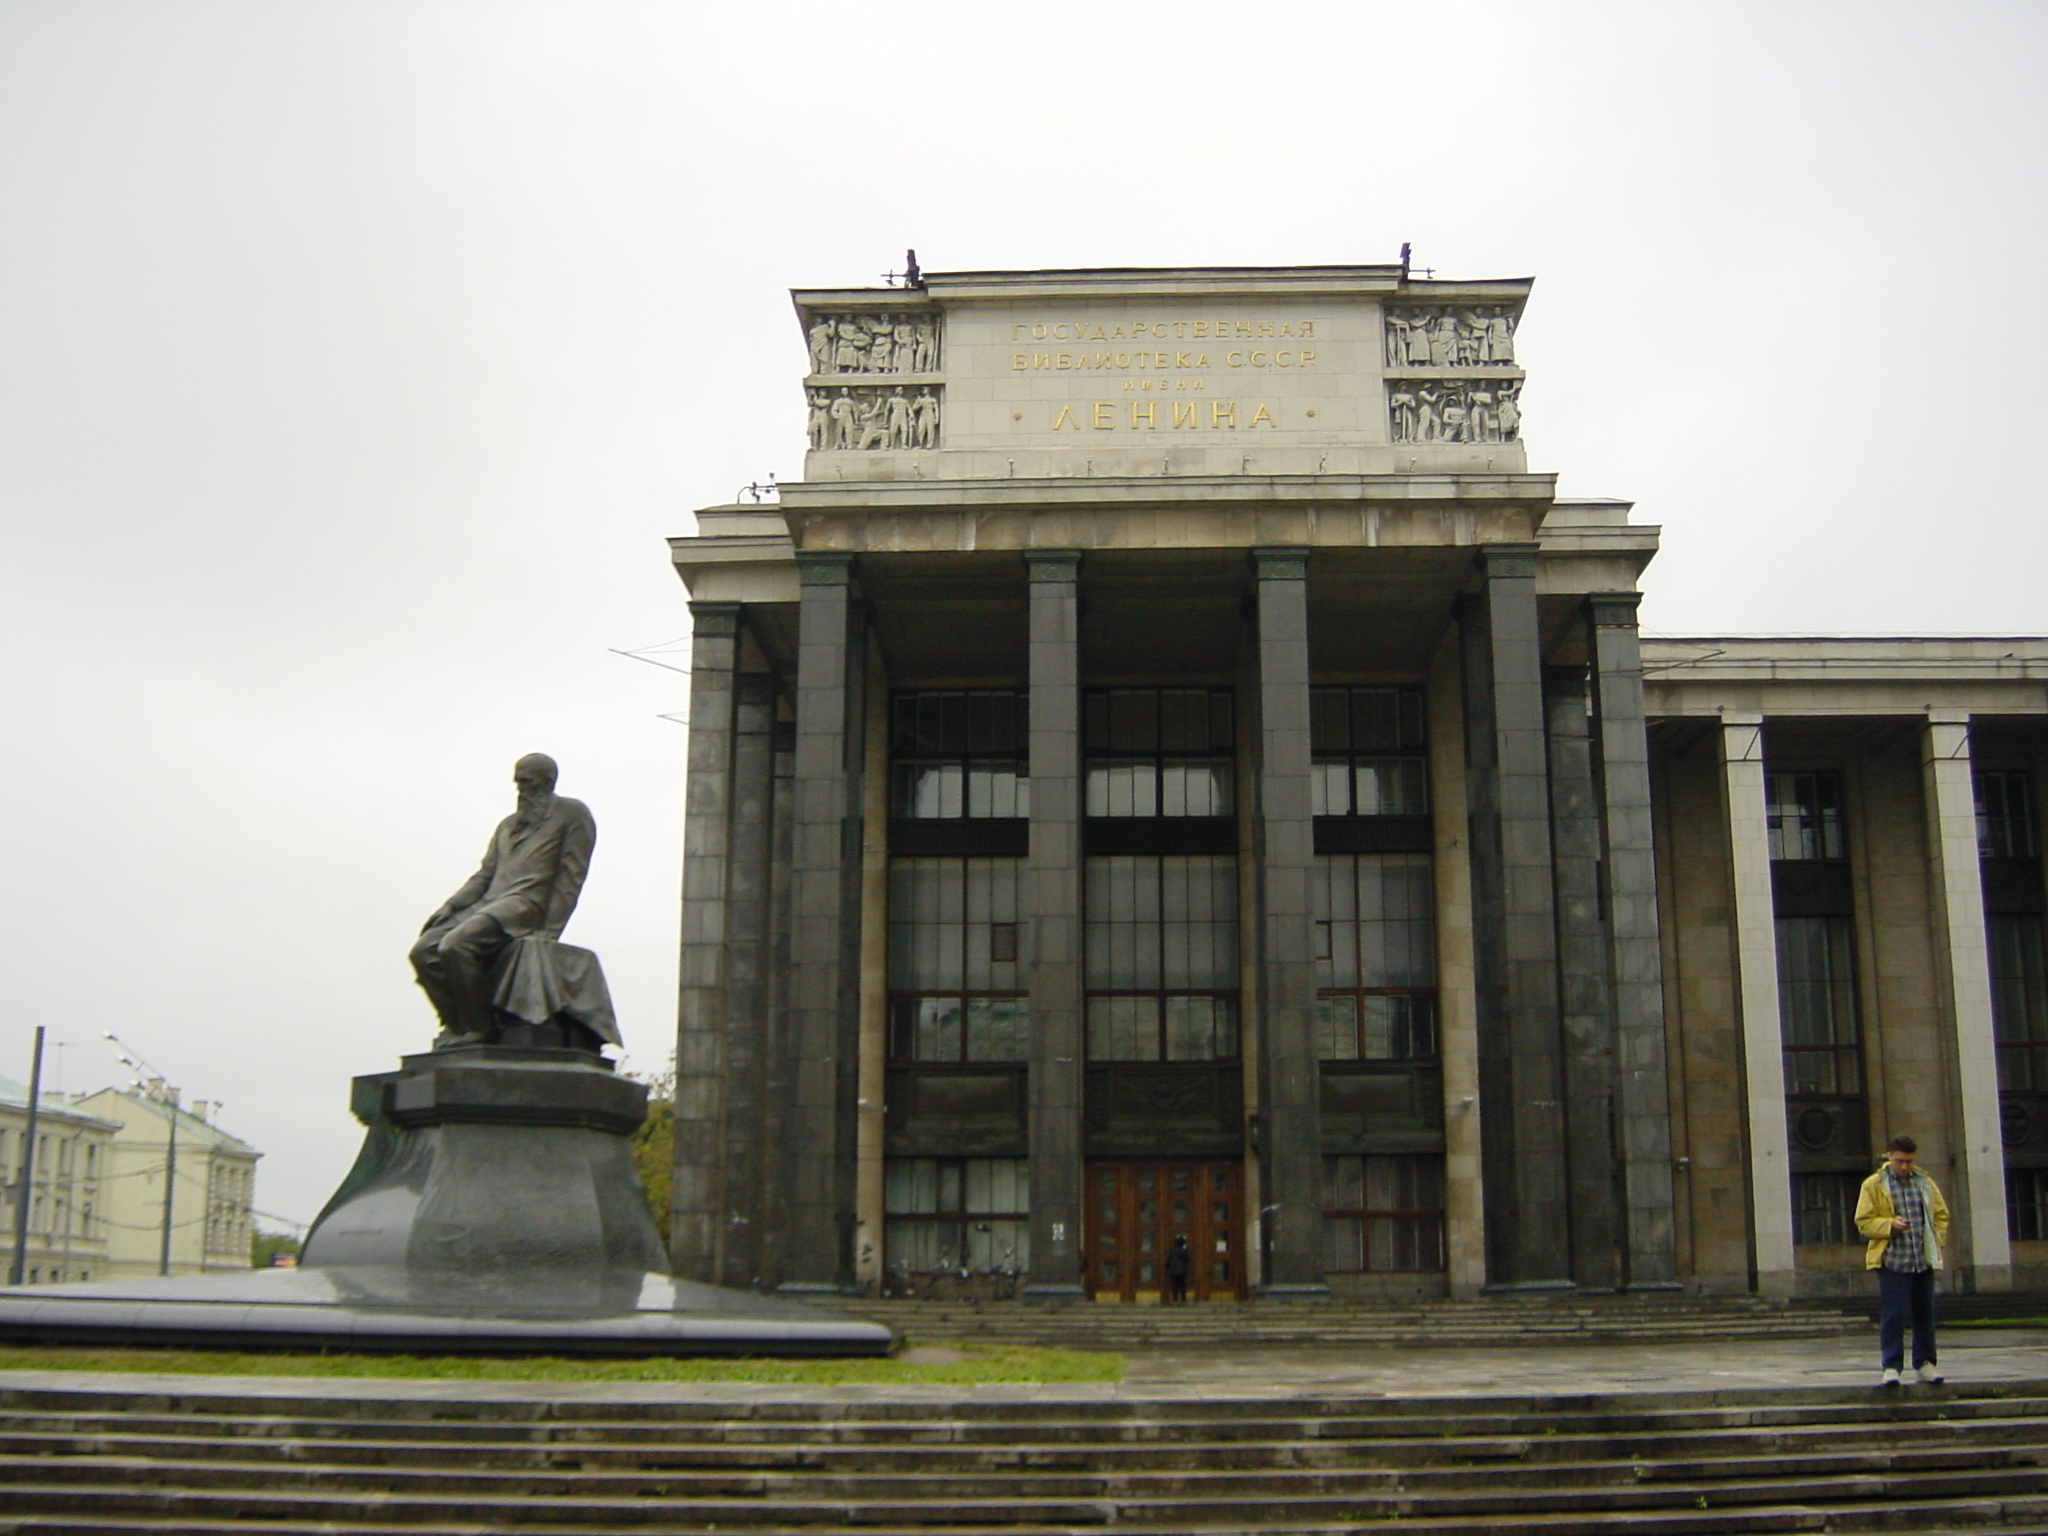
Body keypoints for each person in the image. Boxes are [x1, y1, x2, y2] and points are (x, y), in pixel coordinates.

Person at [410, 753, 596, 1048]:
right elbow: (484, 876)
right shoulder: (507, 826)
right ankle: (458, 1025)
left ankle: (479, 1029)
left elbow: (571, 875)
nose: (520, 789)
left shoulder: (572, 814)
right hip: (486, 904)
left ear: (548, 782)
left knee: (455, 946)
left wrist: (551, 928)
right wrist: (452, 905)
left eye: (527, 782)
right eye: (517, 782)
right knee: (422, 951)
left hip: (525, 906)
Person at [1854, 1134, 1951, 1387]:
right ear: (1889, 1157)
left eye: (1908, 1161)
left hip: (1922, 1259)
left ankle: (1925, 1363)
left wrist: (1937, 1238)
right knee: (1894, 1315)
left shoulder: (1924, 1182)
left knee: (1924, 1314)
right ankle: (1891, 1366)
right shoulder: (1874, 1185)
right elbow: (1863, 1223)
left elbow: (1941, 1214)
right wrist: (1890, 1225)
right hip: (1893, 1261)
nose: (1904, 1167)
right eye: (1899, 1161)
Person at [1163, 1234, 1191, 1305]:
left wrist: (1167, 1267)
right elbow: (1187, 1260)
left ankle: (1175, 1298)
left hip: (1173, 1269)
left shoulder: (1172, 1251)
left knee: (1174, 1284)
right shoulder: (1184, 1251)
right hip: (1182, 1270)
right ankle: (1183, 1298)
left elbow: (1168, 1261)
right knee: (1182, 1284)